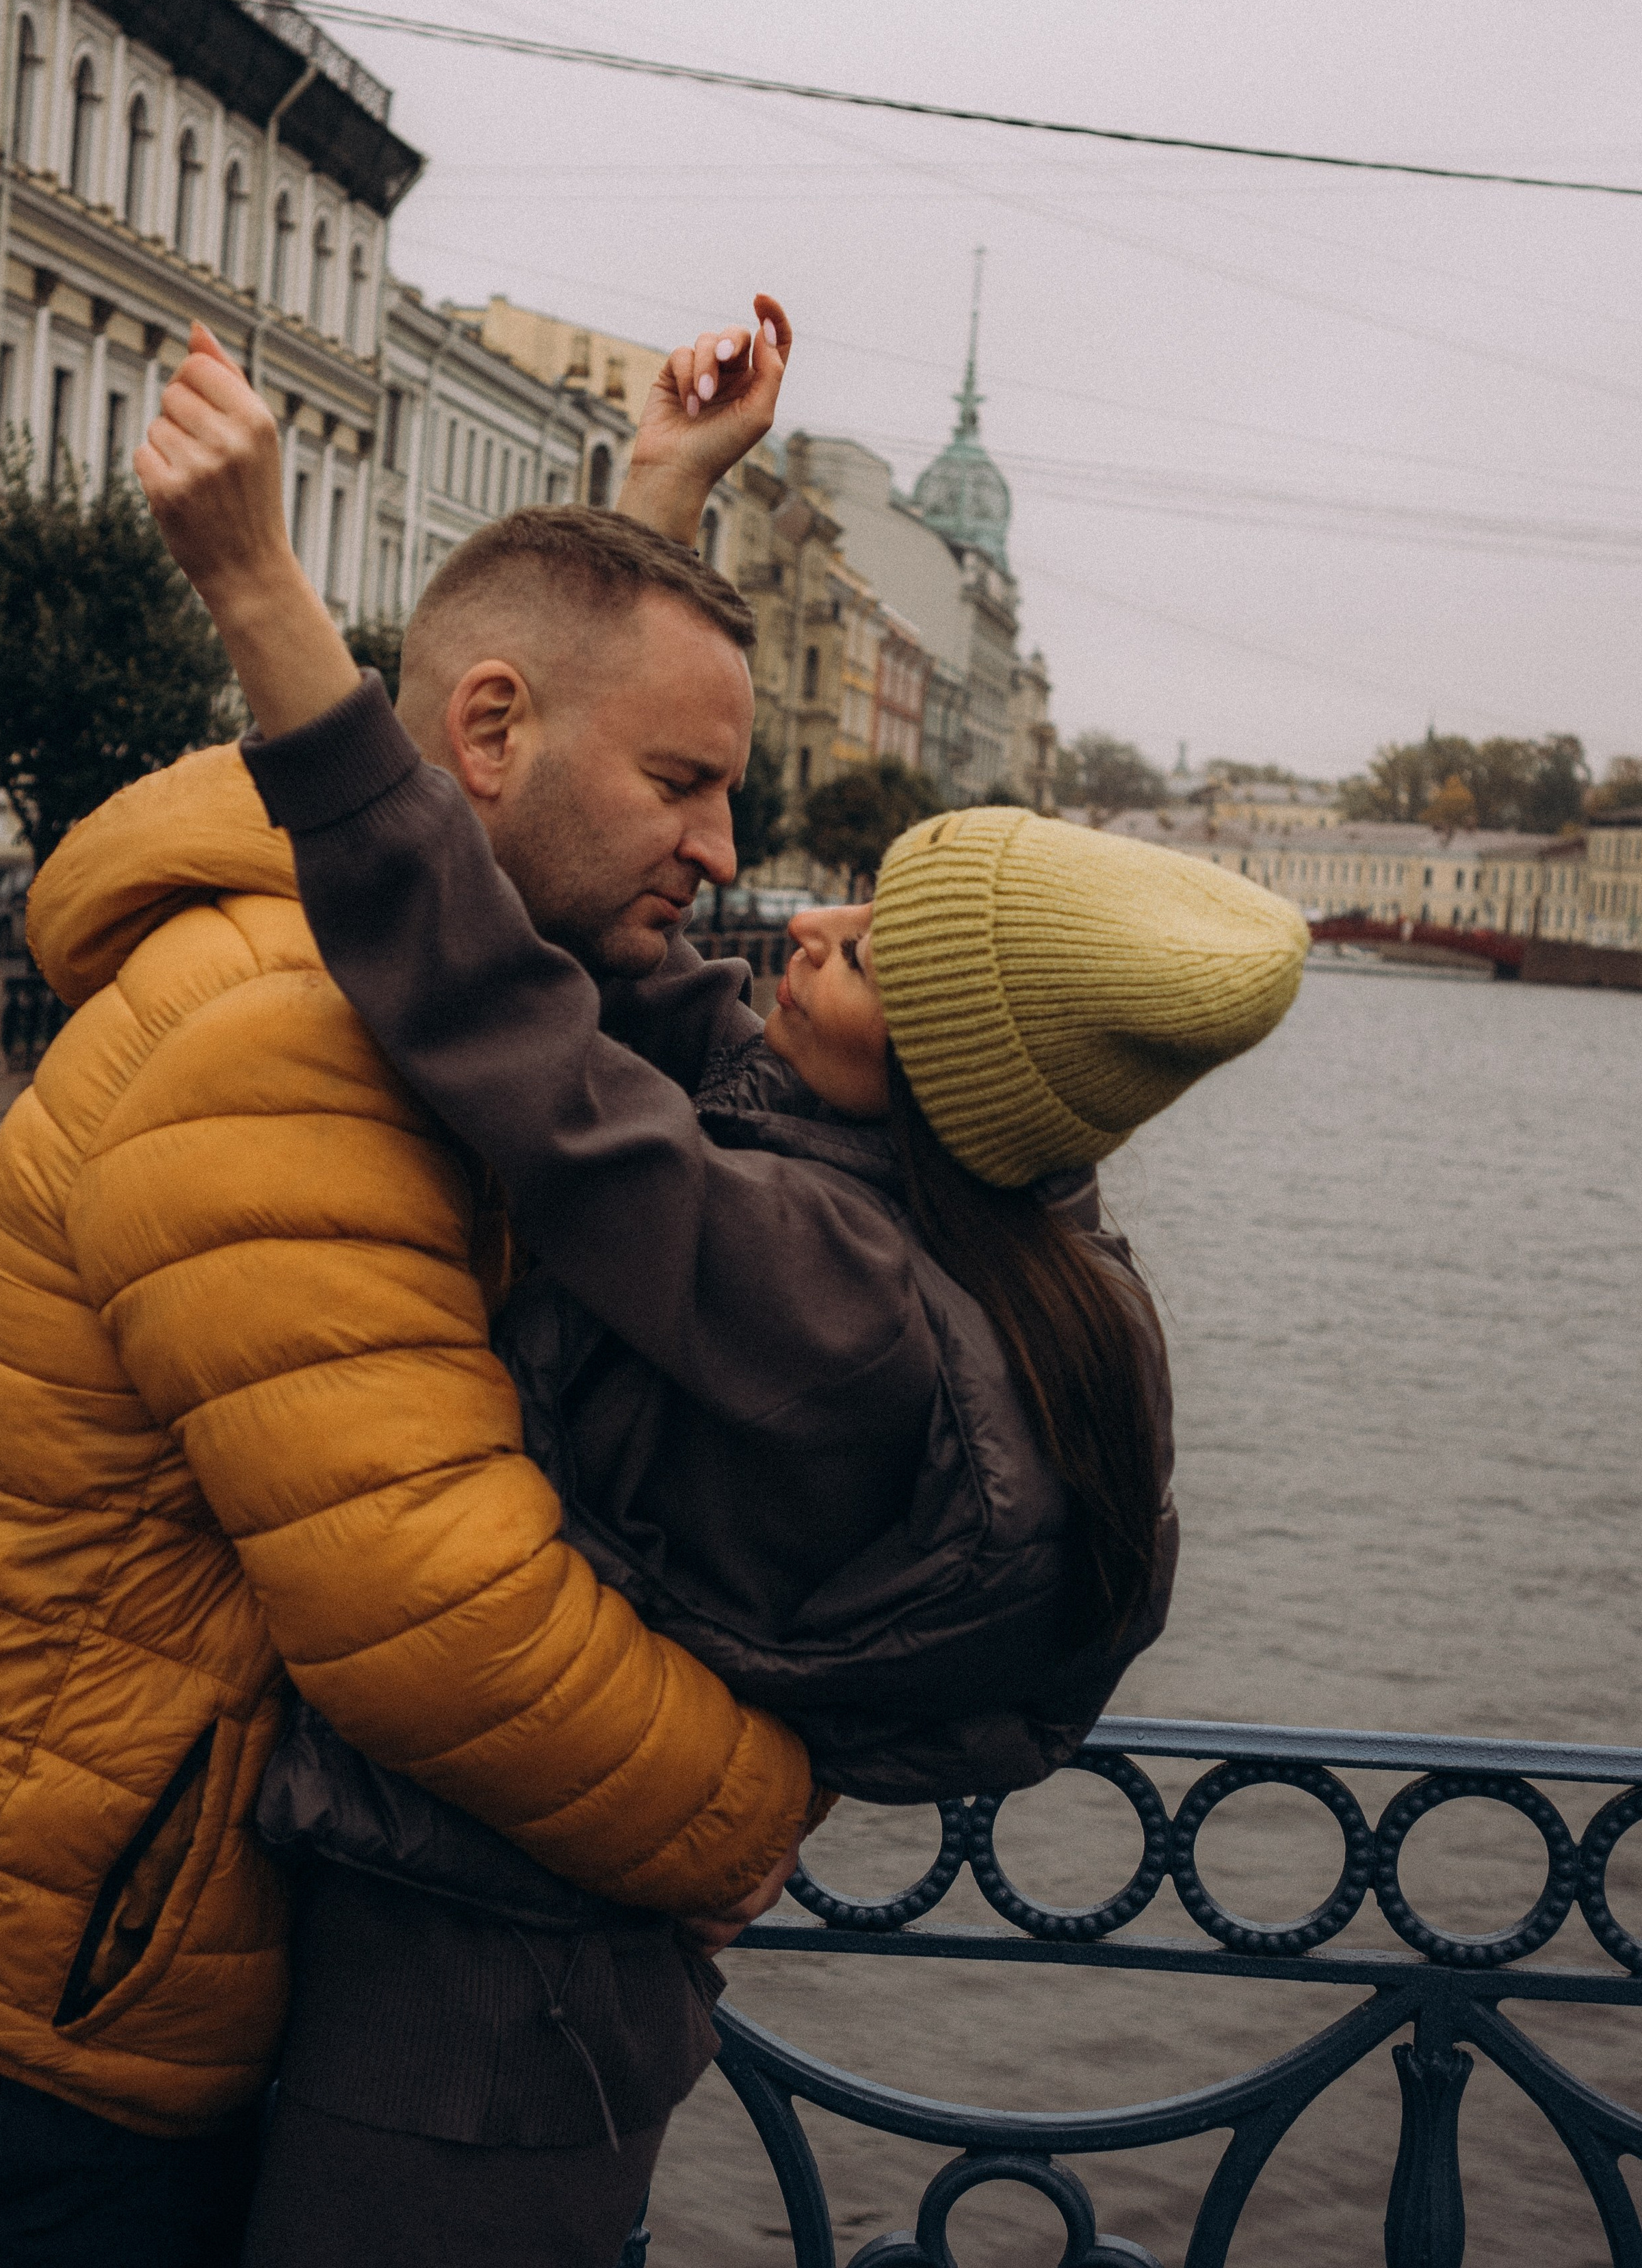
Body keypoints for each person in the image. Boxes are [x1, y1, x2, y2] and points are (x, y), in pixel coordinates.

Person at [135, 316, 1312, 2265]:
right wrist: (659, 506)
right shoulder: (904, 1200)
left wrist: (267, 601)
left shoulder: (833, 1289)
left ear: (933, 1064)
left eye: (872, 951)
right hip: (517, 1957)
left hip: (488, 2017)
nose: (800, 910)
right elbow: (590, 936)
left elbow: (519, 1029)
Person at [0, 309, 813, 2268]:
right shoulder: (284, 1028)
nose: (724, 851)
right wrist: (746, 1814)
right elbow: (436, 1616)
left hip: (86, 1954)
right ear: (486, 734)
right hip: (13, 2017)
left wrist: (652, 508)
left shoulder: (389, 980)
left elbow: (553, 944)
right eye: (686, 786)